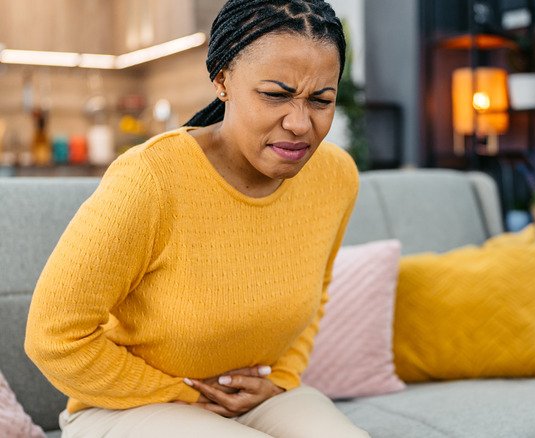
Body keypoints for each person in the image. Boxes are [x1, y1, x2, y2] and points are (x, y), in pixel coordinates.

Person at [24, 0, 368, 436]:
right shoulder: (152, 178)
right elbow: (53, 337)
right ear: (222, 80)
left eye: (321, 100)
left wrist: (281, 380)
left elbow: (314, 294)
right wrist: (184, 392)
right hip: (125, 406)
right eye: (275, 95)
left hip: (253, 397)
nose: (301, 124)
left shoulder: (336, 177)